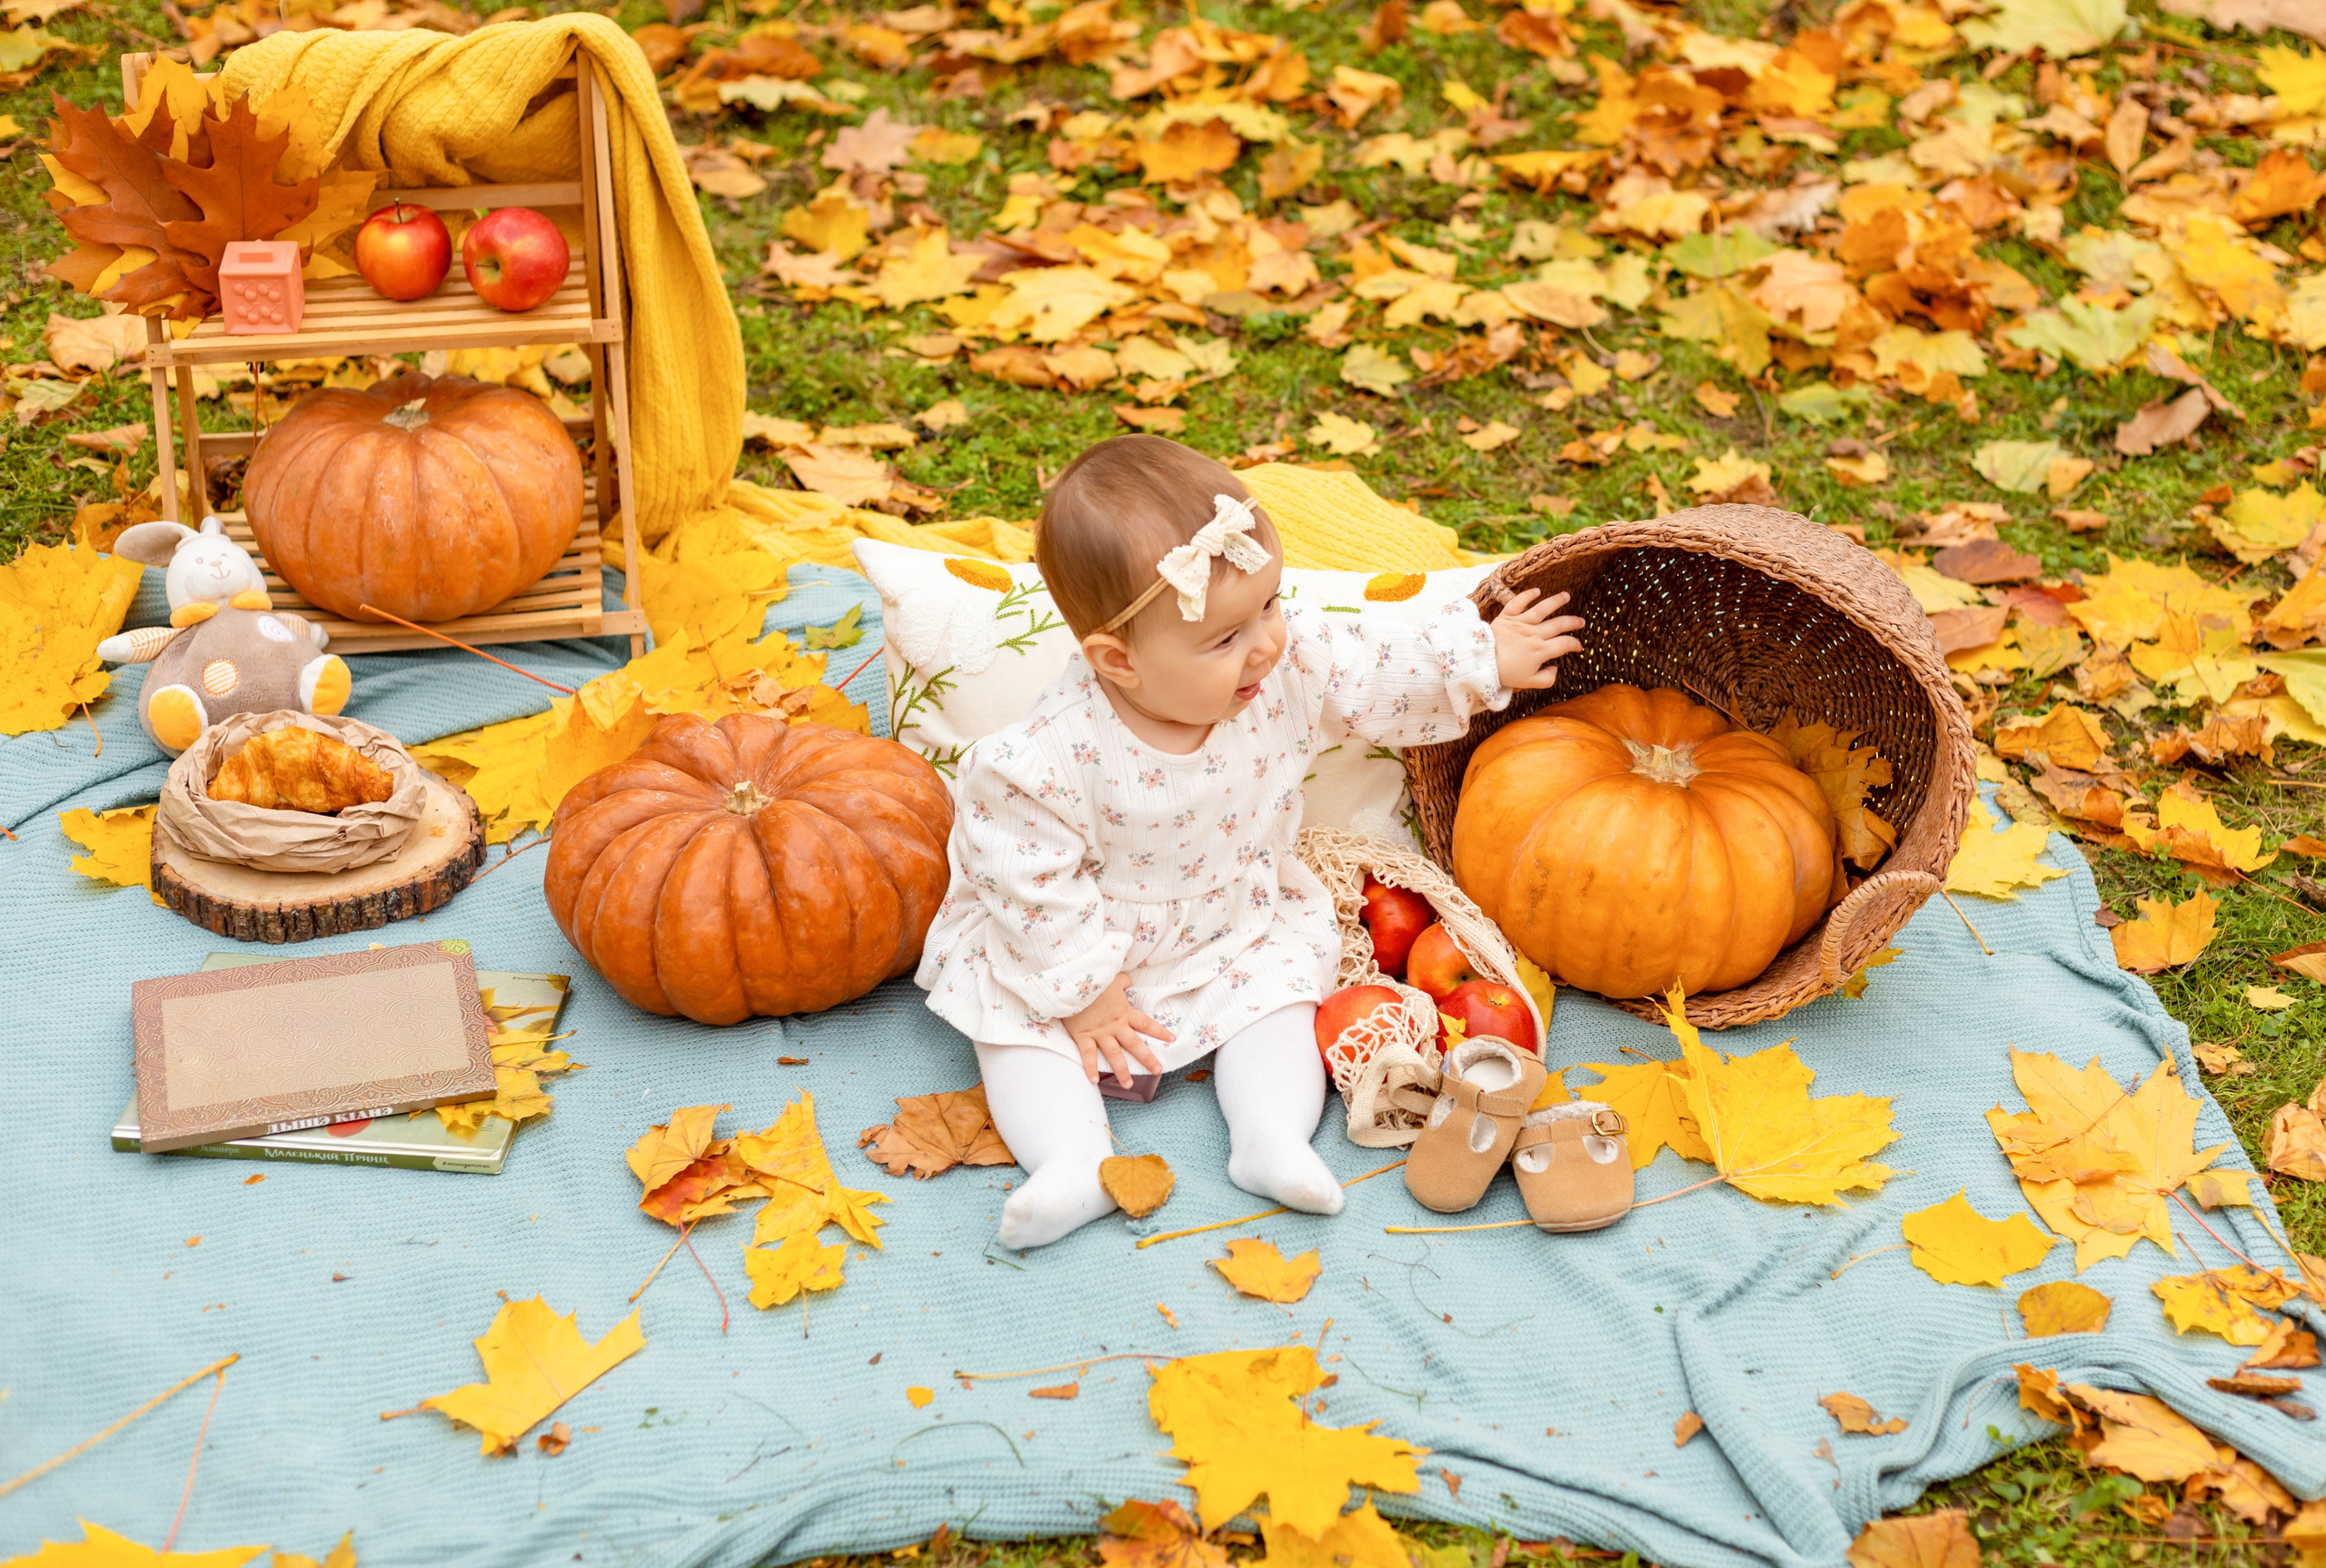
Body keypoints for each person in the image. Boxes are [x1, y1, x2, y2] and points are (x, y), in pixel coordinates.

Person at [915, 435, 1585, 1248]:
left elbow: (1372, 665)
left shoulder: (1283, 666)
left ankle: (1269, 1138)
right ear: (1115, 660)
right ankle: (1072, 1160)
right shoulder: (1045, 759)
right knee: (1014, 1026)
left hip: (1235, 920)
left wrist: (1486, 656)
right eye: (1224, 638)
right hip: (1086, 944)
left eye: (1269, 604)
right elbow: (1024, 881)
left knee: (1281, 997)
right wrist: (1083, 989)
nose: (1266, 642)